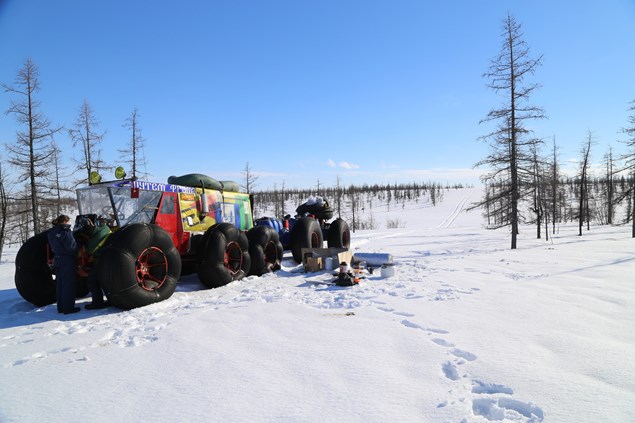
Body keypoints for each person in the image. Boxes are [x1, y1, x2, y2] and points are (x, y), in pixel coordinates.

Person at [47, 214, 80, 314]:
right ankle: (68, 308)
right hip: (67, 260)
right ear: (65, 222)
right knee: (68, 285)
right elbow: (71, 248)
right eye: (68, 221)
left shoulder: (52, 232)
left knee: (60, 284)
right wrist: (80, 244)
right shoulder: (65, 231)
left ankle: (60, 307)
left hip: (57, 259)